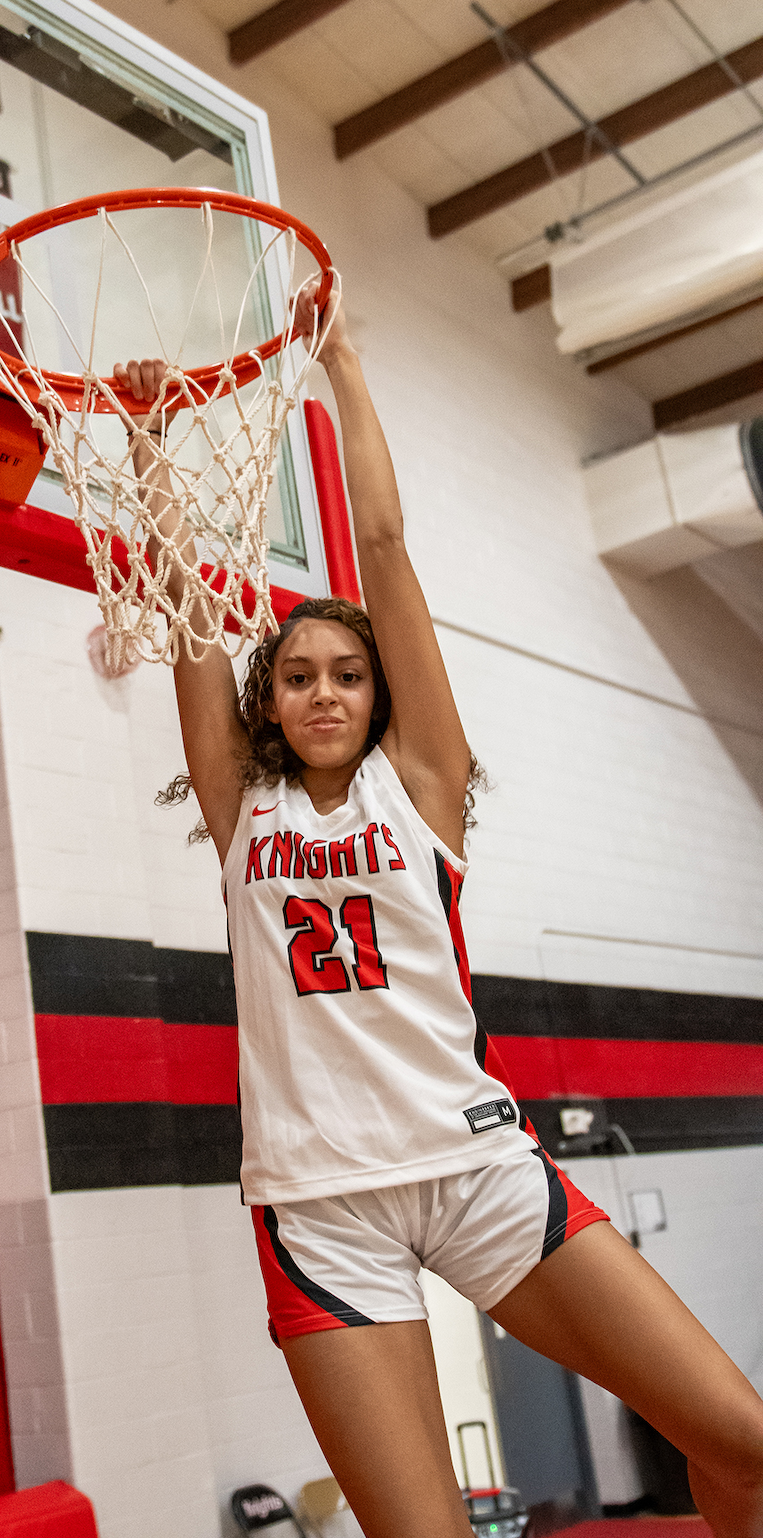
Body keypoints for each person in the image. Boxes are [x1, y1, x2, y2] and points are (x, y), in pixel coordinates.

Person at [114, 286, 763, 1538]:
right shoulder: (241, 811)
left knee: (738, 1437)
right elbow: (184, 610)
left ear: (379, 696)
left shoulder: (422, 789)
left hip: (473, 1168)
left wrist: (343, 363)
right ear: (266, 704)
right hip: (320, 1208)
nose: (322, 692)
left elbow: (383, 543)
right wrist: (149, 444)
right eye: (296, 676)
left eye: (347, 674)